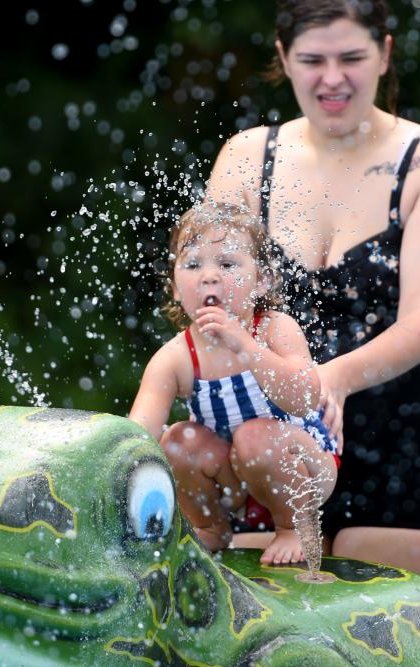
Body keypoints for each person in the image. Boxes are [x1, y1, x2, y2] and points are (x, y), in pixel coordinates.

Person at [201, 0, 420, 600]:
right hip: (269, 446)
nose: (333, 78)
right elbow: (212, 301)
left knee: (403, 657)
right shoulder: (247, 160)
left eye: (352, 57)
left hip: (405, 441)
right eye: (313, 60)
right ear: (283, 59)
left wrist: (326, 381)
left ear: (383, 53)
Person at [129, 203, 341, 566]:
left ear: (262, 280)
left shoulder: (274, 328)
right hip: (235, 482)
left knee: (254, 436)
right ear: (176, 287)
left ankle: (293, 527)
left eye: (227, 265)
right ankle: (210, 526)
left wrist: (245, 346)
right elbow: (136, 434)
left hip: (305, 469)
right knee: (178, 440)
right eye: (193, 265)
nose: (209, 276)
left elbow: (305, 398)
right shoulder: (177, 357)